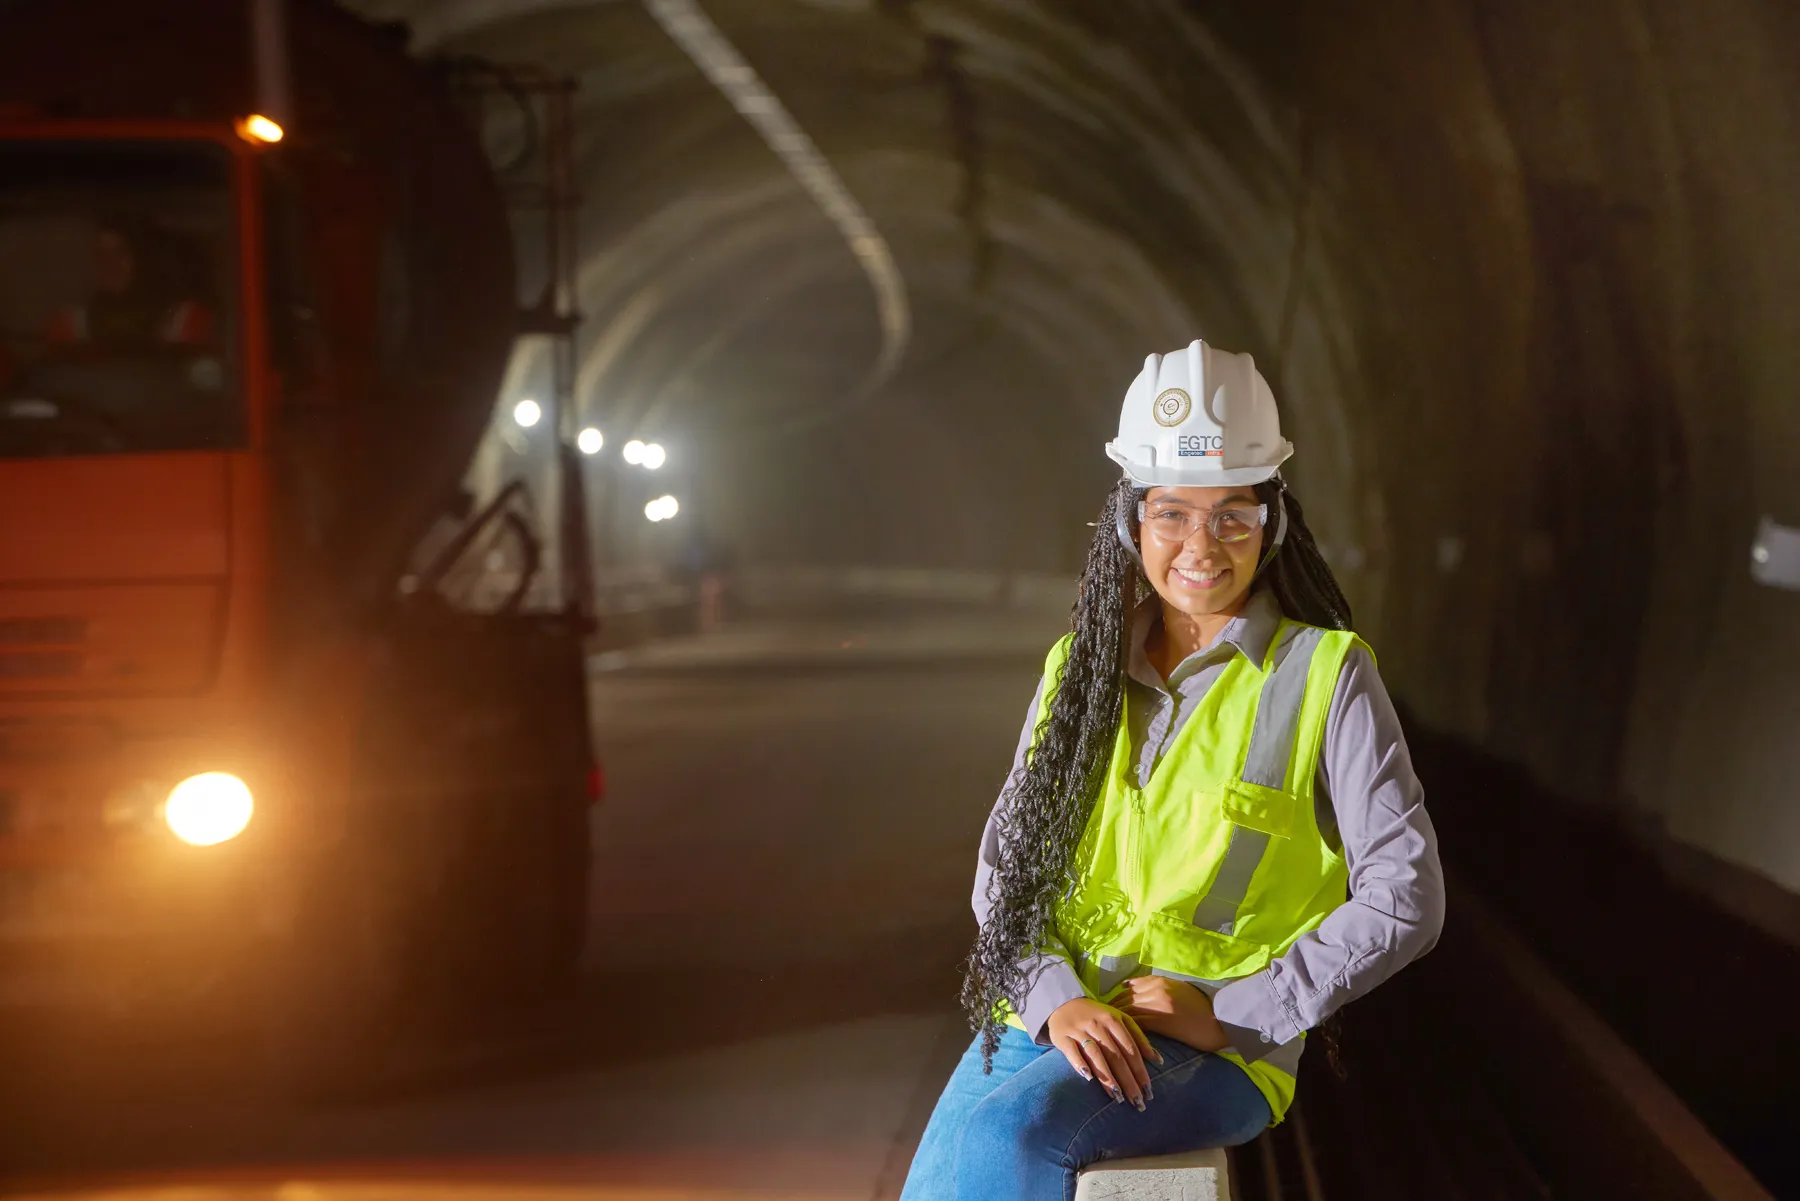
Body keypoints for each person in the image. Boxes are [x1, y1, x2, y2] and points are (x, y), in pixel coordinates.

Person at [900, 339, 1446, 1200]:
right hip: (1054, 1019)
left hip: (1211, 1047)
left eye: (1234, 514)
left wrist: (1236, 1011)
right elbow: (1005, 868)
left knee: (1010, 1135)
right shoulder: (1075, 671)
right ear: (1132, 521)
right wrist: (1053, 997)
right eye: (1173, 514)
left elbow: (1406, 893)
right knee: (943, 1176)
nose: (1203, 544)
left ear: (1271, 524)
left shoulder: (1326, 675)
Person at [44, 220, 214, 349]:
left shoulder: (185, 320)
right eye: (102, 254)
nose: (110, 264)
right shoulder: (71, 326)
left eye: (122, 252)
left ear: (144, 258)